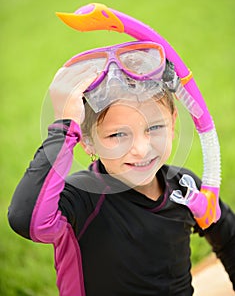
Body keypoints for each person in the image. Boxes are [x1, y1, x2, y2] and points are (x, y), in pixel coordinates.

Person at [8, 41, 235, 296]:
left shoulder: (184, 189)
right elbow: (27, 219)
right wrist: (64, 127)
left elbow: (229, 236)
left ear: (172, 124)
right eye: (117, 135)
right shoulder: (80, 199)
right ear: (87, 140)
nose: (141, 148)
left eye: (154, 128)